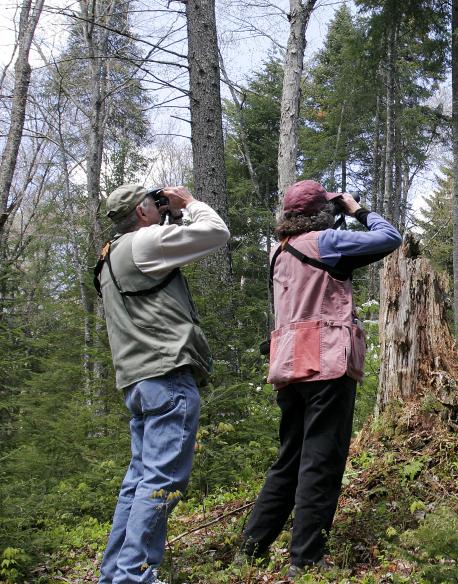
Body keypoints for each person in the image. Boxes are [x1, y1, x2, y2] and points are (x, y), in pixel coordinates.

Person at [238, 180, 401, 577]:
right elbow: (389, 237)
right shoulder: (326, 241)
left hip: (289, 366)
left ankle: (250, 550)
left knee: (289, 460)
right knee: (321, 461)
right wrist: (358, 209)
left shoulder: (278, 252)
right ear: (321, 212)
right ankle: (306, 560)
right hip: (326, 363)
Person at [95, 184, 230, 584]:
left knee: (138, 481)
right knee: (161, 480)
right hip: (166, 375)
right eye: (155, 204)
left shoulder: (109, 257)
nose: (160, 207)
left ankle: (114, 574)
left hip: (136, 381)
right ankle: (134, 577)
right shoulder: (145, 243)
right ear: (141, 211)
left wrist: (168, 215)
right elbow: (216, 232)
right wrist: (188, 204)